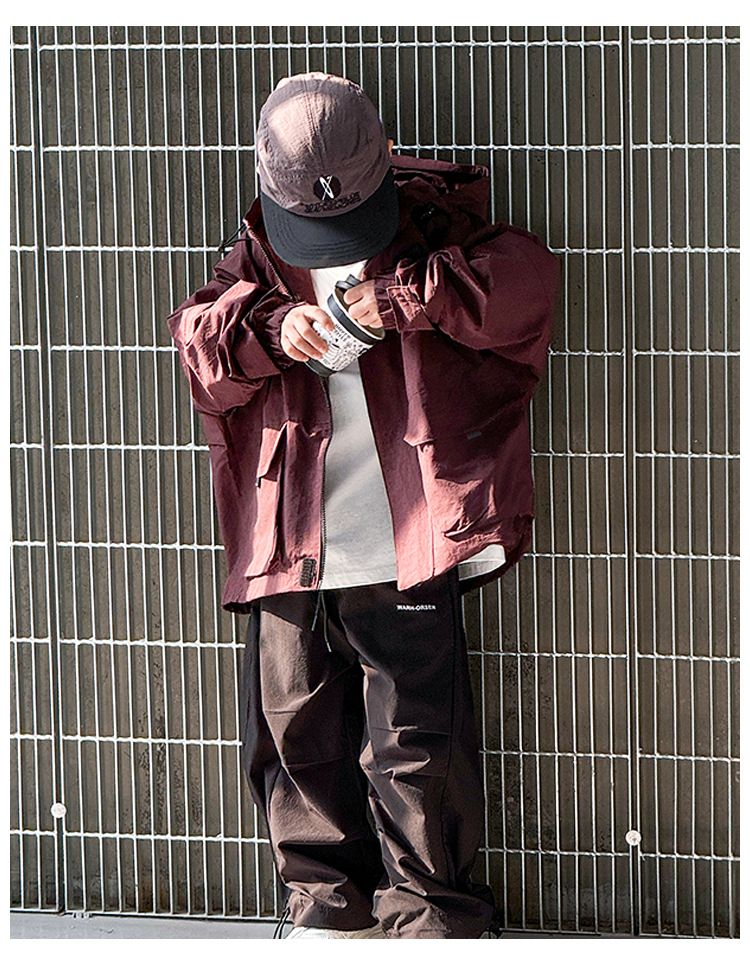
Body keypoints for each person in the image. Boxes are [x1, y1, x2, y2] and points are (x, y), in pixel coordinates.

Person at [167, 72, 558, 939]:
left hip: (402, 536)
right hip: (292, 538)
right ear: (268, 181)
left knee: (416, 743)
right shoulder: (259, 247)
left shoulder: (432, 219)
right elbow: (197, 342)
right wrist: (271, 330)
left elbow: (524, 283)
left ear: (384, 156)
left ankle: (431, 918)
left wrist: (401, 297)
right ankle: (324, 914)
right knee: (293, 732)